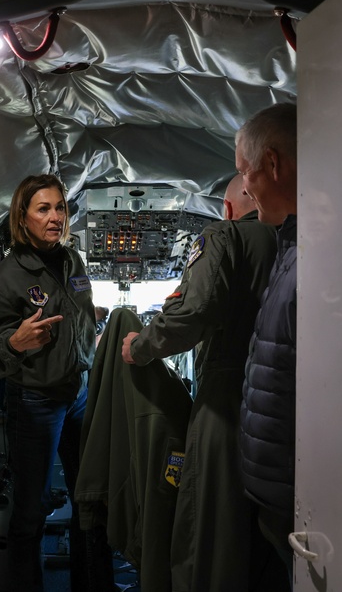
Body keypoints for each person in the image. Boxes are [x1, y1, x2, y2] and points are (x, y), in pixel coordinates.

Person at [120, 174, 283, 591]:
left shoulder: (224, 235)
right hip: (282, 403)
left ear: (228, 208)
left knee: (209, 525)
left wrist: (139, 346)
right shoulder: (297, 241)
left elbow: (193, 312)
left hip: (226, 402)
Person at [0, 174, 96, 591]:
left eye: (60, 207)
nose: (55, 217)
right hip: (35, 402)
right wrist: (14, 341)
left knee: (88, 498)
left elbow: (82, 319)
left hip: (78, 394)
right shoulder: (5, 278)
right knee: (31, 510)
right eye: (43, 209)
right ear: (22, 218)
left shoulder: (72, 262)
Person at [236, 102, 299, 574]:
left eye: (245, 172)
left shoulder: (317, 255)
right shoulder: (290, 246)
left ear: (272, 165)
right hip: (281, 484)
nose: (244, 188)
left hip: (296, 490)